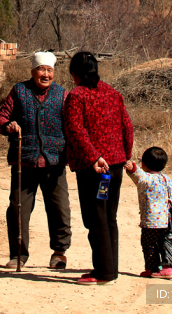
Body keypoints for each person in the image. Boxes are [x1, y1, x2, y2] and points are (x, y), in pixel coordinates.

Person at [0, 50, 71, 271]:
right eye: (41, 70)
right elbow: (1, 116)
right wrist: (7, 126)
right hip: (24, 160)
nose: (45, 74)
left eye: (49, 70)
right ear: (33, 71)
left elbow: (71, 123)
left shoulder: (61, 94)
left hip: (54, 161)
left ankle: (59, 253)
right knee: (18, 208)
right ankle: (18, 254)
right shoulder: (19, 91)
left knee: (59, 209)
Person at [63, 51, 133, 286]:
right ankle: (110, 267)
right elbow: (128, 127)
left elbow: (75, 130)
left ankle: (103, 271)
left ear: (75, 74)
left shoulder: (77, 96)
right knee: (108, 216)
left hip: (95, 170)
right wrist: (124, 156)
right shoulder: (113, 93)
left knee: (96, 218)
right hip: (114, 167)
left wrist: (94, 158)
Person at [125, 146, 172, 279]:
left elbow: (136, 174)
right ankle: (168, 268)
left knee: (149, 244)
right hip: (170, 219)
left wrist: (130, 166)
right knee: (168, 242)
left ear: (143, 164)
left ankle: (152, 268)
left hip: (152, 222)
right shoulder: (167, 179)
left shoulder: (146, 179)